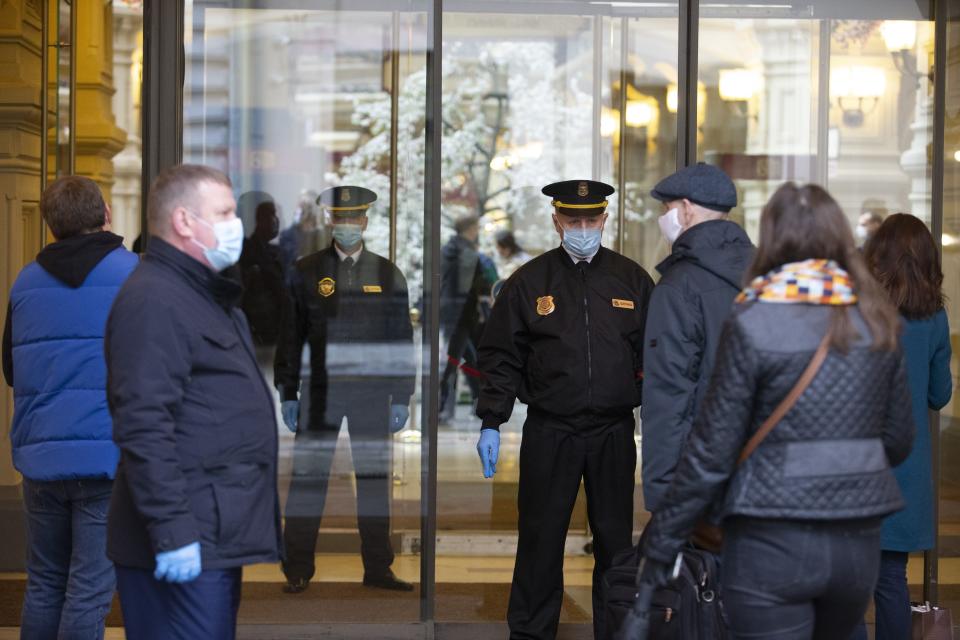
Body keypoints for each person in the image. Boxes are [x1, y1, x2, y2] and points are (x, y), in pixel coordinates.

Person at [639, 182, 914, 640]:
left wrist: (664, 538)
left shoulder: (754, 317)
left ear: (771, 239)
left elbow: (713, 449)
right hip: (855, 540)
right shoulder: (876, 318)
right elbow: (899, 438)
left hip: (769, 537)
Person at [105, 164, 281, 639]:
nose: (234, 224)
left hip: (210, 533)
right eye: (223, 212)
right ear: (184, 221)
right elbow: (142, 422)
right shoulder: (155, 299)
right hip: (184, 538)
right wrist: (172, 532)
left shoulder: (198, 294)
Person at [476, 180, 654, 639]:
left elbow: (653, 356)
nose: (582, 228)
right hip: (551, 430)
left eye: (590, 220)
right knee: (540, 539)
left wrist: (654, 417)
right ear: (556, 222)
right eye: (572, 220)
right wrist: (492, 420)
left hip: (613, 431)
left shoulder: (632, 280)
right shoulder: (529, 282)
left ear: (604, 221)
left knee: (616, 543)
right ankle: (532, 633)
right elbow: (500, 355)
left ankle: (618, 631)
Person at [2, 176, 137, 640]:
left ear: (50, 223)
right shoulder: (135, 274)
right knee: (88, 594)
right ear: (106, 214)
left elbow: (12, 369)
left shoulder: (26, 281)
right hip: (106, 460)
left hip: (41, 461)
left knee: (43, 586)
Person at [275, 185, 416, 593]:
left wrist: (402, 395)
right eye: (342, 218)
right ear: (330, 222)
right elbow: (291, 335)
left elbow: (400, 341)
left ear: (366, 222)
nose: (348, 225)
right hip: (319, 392)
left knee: (373, 482)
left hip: (371, 393)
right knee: (308, 481)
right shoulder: (305, 272)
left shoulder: (387, 273)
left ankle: (377, 569)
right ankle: (297, 569)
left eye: (355, 218)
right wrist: (287, 391)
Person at [851, 214, 952, 640]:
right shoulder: (934, 318)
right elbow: (938, 394)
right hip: (905, 467)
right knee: (891, 579)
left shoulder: (855, 308)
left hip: (853, 462)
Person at [641, 162, 754, 514]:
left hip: (701, 471)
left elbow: (669, 393)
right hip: (763, 465)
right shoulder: (765, 272)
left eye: (667, 209)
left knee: (701, 567)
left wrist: (662, 491)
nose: (665, 219)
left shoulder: (679, 287)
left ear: (686, 209)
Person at [439, 214, 497, 422]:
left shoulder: (446, 250)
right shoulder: (469, 254)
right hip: (464, 315)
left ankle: (476, 399)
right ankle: (442, 405)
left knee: (467, 357)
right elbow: (481, 284)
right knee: (453, 360)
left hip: (452, 313)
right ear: (470, 230)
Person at [239, 198, 285, 350]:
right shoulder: (249, 250)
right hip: (259, 327)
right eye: (271, 215)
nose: (275, 221)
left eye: (276, 215)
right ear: (260, 220)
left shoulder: (275, 251)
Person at [279, 188, 329, 282]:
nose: (299, 211)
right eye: (300, 207)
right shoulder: (287, 236)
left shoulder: (324, 236)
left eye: (304, 208)